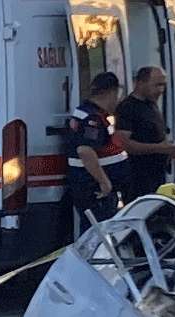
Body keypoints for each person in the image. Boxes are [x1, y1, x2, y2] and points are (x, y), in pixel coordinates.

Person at [66, 71, 129, 227]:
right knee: (96, 233)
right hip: (95, 189)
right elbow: (84, 150)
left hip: (89, 186)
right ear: (113, 92)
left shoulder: (86, 111)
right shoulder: (93, 118)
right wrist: (104, 182)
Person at [115, 66, 175, 203]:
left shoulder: (152, 105)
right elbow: (124, 144)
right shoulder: (127, 107)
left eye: (163, 85)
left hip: (157, 176)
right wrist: (159, 148)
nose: (161, 90)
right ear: (141, 83)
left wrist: (169, 150)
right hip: (137, 178)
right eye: (157, 85)